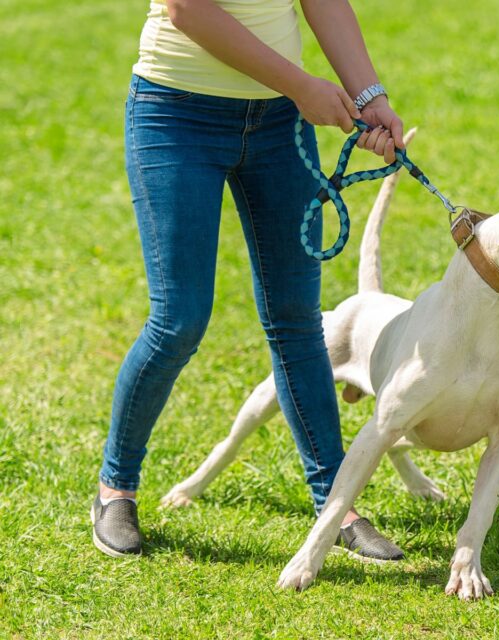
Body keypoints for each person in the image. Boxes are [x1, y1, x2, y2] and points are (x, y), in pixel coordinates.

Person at [92, 0, 406, 562]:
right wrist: (303, 86)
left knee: (297, 320)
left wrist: (369, 98)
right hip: (176, 117)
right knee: (178, 321)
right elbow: (187, 10)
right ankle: (116, 486)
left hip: (279, 127)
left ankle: (336, 505)